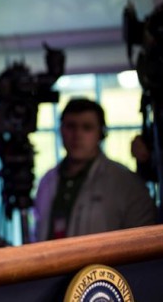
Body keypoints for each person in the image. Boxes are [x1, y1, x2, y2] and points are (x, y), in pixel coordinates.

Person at [33, 98, 156, 241]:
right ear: (61, 130)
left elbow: (144, 246)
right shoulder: (47, 181)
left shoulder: (126, 184)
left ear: (101, 133)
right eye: (71, 126)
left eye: (87, 127)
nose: (77, 135)